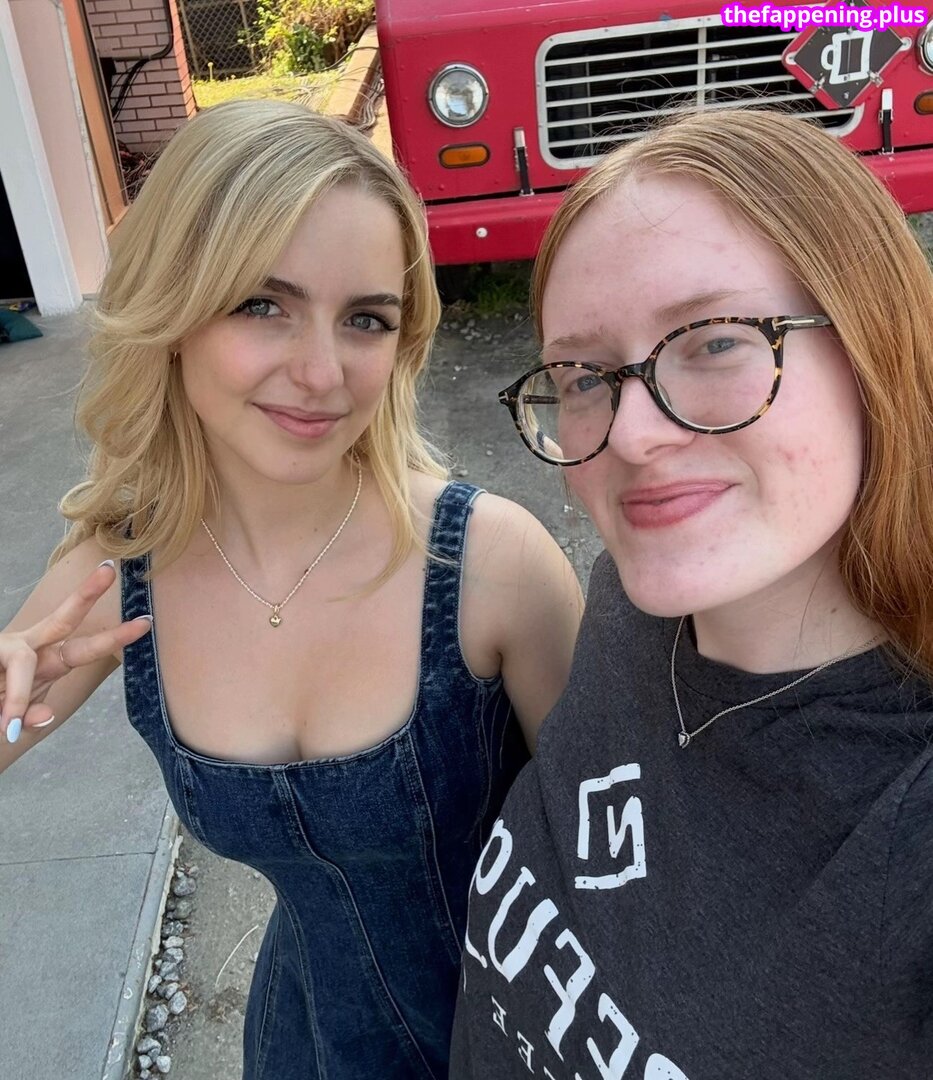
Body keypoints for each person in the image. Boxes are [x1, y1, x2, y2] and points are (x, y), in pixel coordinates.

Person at [0, 100, 583, 1079]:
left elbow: (627, 867)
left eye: (366, 320)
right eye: (262, 305)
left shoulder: (491, 566)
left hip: (514, 1051)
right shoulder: (121, 568)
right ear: (173, 313)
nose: (321, 373)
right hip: (301, 1049)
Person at [450, 107, 933, 1080]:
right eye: (582, 375)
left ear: (874, 346)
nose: (630, 437)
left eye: (714, 342)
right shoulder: (627, 612)